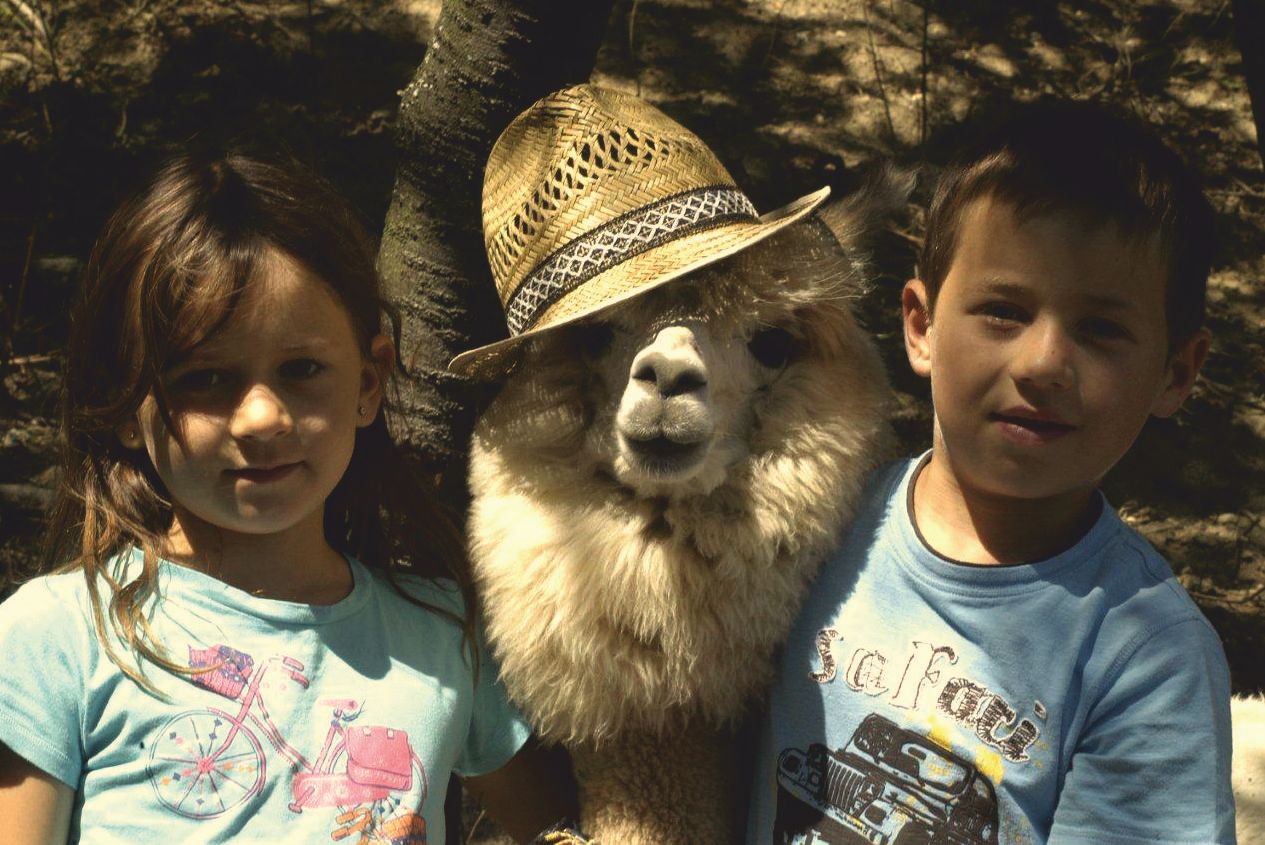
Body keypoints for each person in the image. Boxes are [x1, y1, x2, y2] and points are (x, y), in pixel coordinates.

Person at [0, 152, 578, 843]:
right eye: (206, 378)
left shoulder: (445, 636)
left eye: (301, 369)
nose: (262, 418)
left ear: (369, 383)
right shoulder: (59, 636)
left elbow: (565, 829)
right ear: (126, 400)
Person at [747, 101, 1236, 844]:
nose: (1042, 365)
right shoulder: (816, 521)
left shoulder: (1146, 656)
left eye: (1100, 328)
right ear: (920, 327)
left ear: (1175, 372)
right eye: (1002, 311)